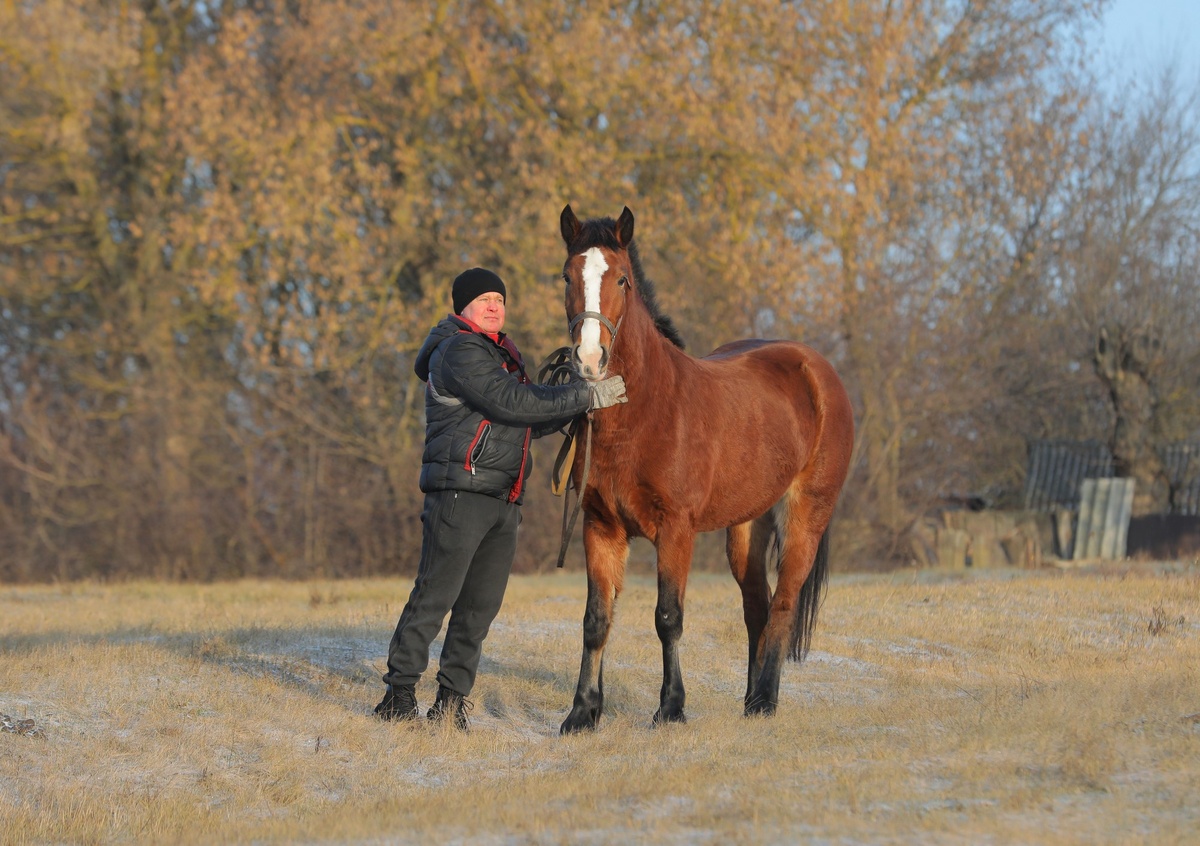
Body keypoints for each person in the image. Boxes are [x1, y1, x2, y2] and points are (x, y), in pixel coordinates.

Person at [374, 267, 627, 729]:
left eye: (499, 299)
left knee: (478, 610)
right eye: (484, 299)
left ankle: (450, 704)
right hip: (460, 493)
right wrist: (584, 395)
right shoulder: (458, 350)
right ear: (462, 307)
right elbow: (512, 402)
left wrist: (573, 399)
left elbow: (526, 417)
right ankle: (399, 694)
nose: (494, 306)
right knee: (435, 598)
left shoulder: (501, 356)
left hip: (503, 497)